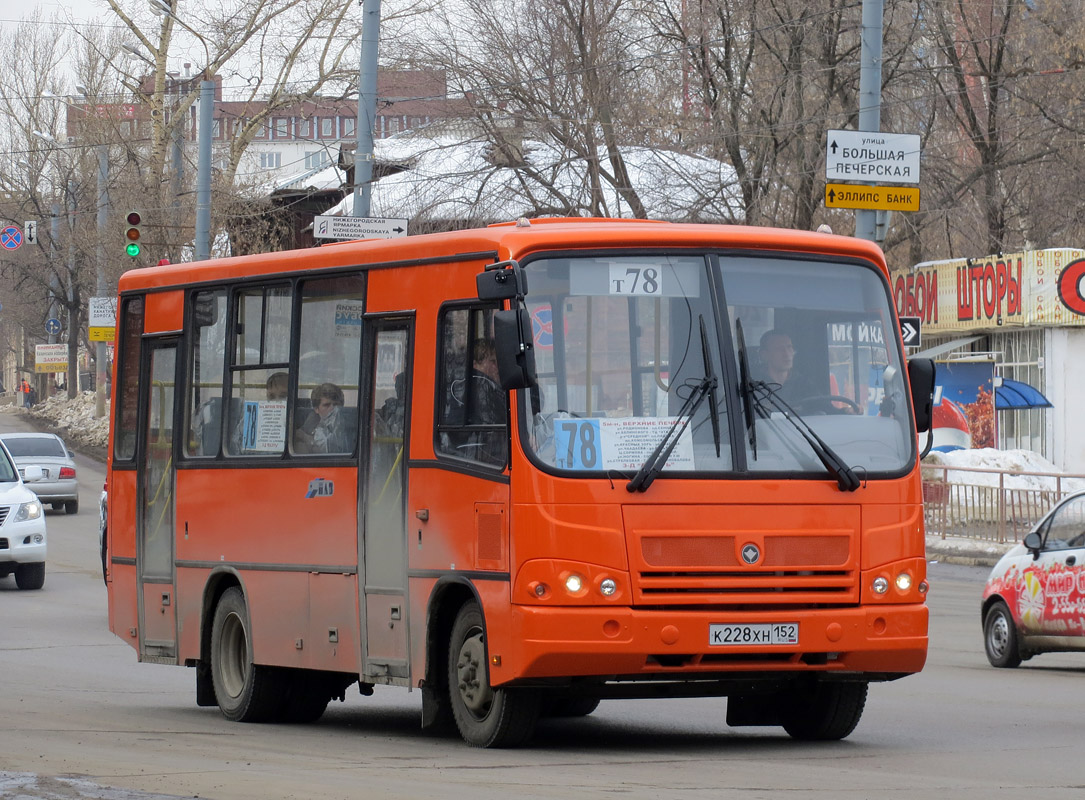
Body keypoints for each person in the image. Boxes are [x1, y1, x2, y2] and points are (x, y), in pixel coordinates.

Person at [295, 382, 352, 454]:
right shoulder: (309, 429)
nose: (333, 409)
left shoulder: (350, 427)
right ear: (316, 409)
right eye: (327, 405)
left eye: (336, 405)